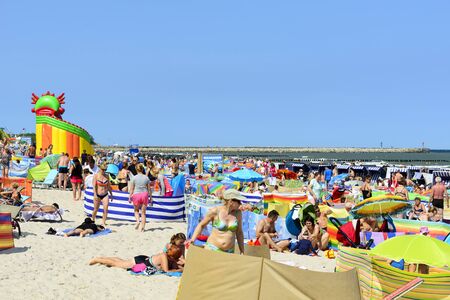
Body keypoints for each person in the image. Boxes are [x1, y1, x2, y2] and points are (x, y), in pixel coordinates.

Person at [89, 233, 186, 272]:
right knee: (118, 264)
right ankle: (97, 259)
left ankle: (103, 259)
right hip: (141, 262)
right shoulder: (165, 255)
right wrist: (179, 270)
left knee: (121, 262)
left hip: (144, 259)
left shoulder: (168, 254)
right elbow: (166, 271)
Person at [188, 189, 245, 254]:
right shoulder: (215, 211)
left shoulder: (238, 213)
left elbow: (239, 232)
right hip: (213, 248)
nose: (240, 203)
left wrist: (242, 250)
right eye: (239, 201)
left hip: (229, 251)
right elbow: (201, 225)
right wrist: (192, 239)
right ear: (231, 201)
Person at [128, 164, 152, 232]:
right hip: (144, 194)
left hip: (136, 194)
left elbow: (131, 189)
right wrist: (151, 197)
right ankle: (143, 228)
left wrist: (129, 197)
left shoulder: (134, 178)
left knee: (136, 210)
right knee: (143, 213)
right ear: (142, 169)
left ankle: (138, 221)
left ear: (136, 169)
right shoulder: (146, 178)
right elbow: (149, 189)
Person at [91, 162, 113, 227]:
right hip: (98, 194)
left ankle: (103, 222)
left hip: (105, 194)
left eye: (105, 170)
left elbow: (108, 186)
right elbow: (94, 186)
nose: (104, 171)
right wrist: (95, 194)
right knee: (95, 209)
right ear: (100, 169)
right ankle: (93, 219)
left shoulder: (107, 176)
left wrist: (111, 194)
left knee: (105, 209)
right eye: (103, 169)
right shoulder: (96, 175)